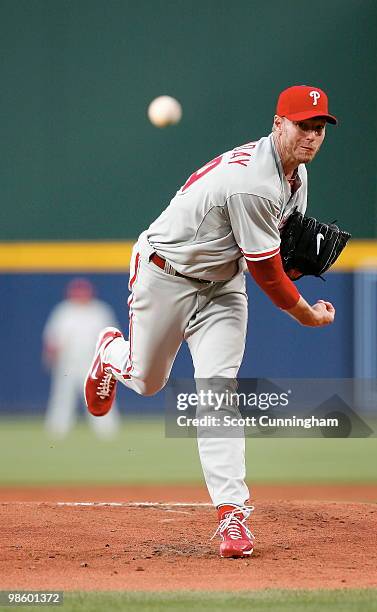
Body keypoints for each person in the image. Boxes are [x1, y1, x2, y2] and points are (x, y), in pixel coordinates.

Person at [84, 85, 337, 557]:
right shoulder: (252, 182)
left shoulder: (296, 175)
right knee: (147, 381)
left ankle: (233, 517)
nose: (311, 136)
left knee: (218, 394)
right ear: (278, 123)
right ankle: (111, 353)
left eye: (319, 128)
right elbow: (268, 274)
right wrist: (305, 312)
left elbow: (278, 253)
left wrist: (295, 266)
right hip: (166, 275)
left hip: (222, 288)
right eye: (303, 125)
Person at [43, 278, 120, 439]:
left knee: (100, 394)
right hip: (68, 362)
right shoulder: (64, 311)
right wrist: (50, 356)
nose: (80, 295)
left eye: (83, 292)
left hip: (93, 362)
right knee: (63, 396)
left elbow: (112, 338)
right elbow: (53, 339)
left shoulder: (99, 311)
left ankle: (107, 430)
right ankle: (57, 429)